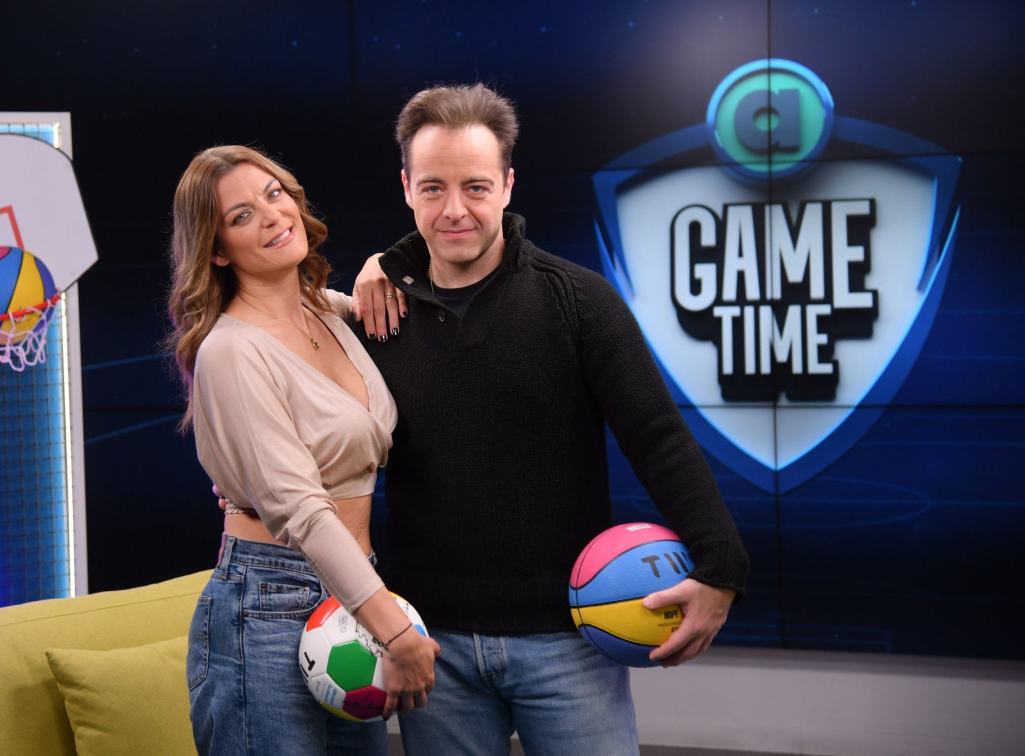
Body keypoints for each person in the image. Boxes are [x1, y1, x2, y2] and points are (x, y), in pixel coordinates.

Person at [349, 83, 750, 755]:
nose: (454, 210)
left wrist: (722, 566)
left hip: (570, 642)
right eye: (433, 188)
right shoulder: (376, 315)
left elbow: (658, 437)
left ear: (508, 185)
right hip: (432, 648)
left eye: (476, 187)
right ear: (406, 188)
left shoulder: (578, 301)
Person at [166, 144, 440, 755]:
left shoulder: (331, 313)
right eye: (241, 216)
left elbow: (420, 289)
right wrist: (396, 632)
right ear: (216, 250)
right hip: (268, 604)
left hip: (351, 592)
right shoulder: (231, 351)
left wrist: (380, 264)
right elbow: (300, 508)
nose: (271, 216)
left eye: (274, 194)